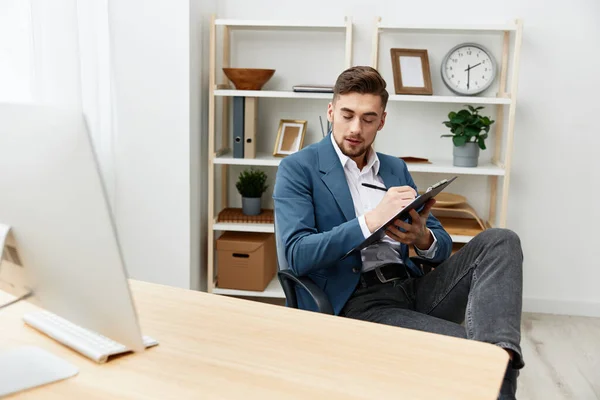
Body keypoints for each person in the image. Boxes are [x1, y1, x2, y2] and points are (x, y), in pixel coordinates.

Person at [272, 66, 524, 399]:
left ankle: (498, 359)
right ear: (331, 111)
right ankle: (499, 378)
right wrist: (372, 220)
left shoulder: (394, 168)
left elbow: (441, 244)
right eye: (347, 115)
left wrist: (422, 239)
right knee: (472, 350)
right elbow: (296, 254)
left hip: (412, 287)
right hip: (358, 303)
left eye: (368, 119)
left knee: (501, 240)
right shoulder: (298, 168)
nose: (355, 128)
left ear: (382, 121)